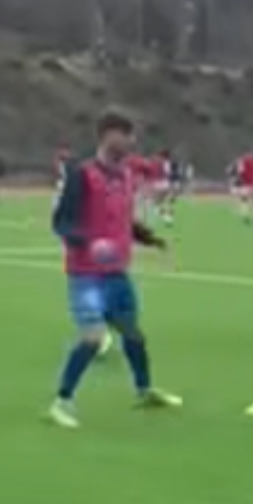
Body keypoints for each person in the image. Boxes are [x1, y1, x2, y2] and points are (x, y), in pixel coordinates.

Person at [47, 110, 182, 429]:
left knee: (133, 335)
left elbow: (123, 220)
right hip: (87, 274)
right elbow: (62, 222)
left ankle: (144, 391)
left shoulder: (125, 176)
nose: (132, 141)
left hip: (117, 273)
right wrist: (88, 242)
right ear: (108, 135)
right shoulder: (82, 175)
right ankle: (62, 401)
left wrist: (148, 238)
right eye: (127, 134)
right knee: (93, 338)